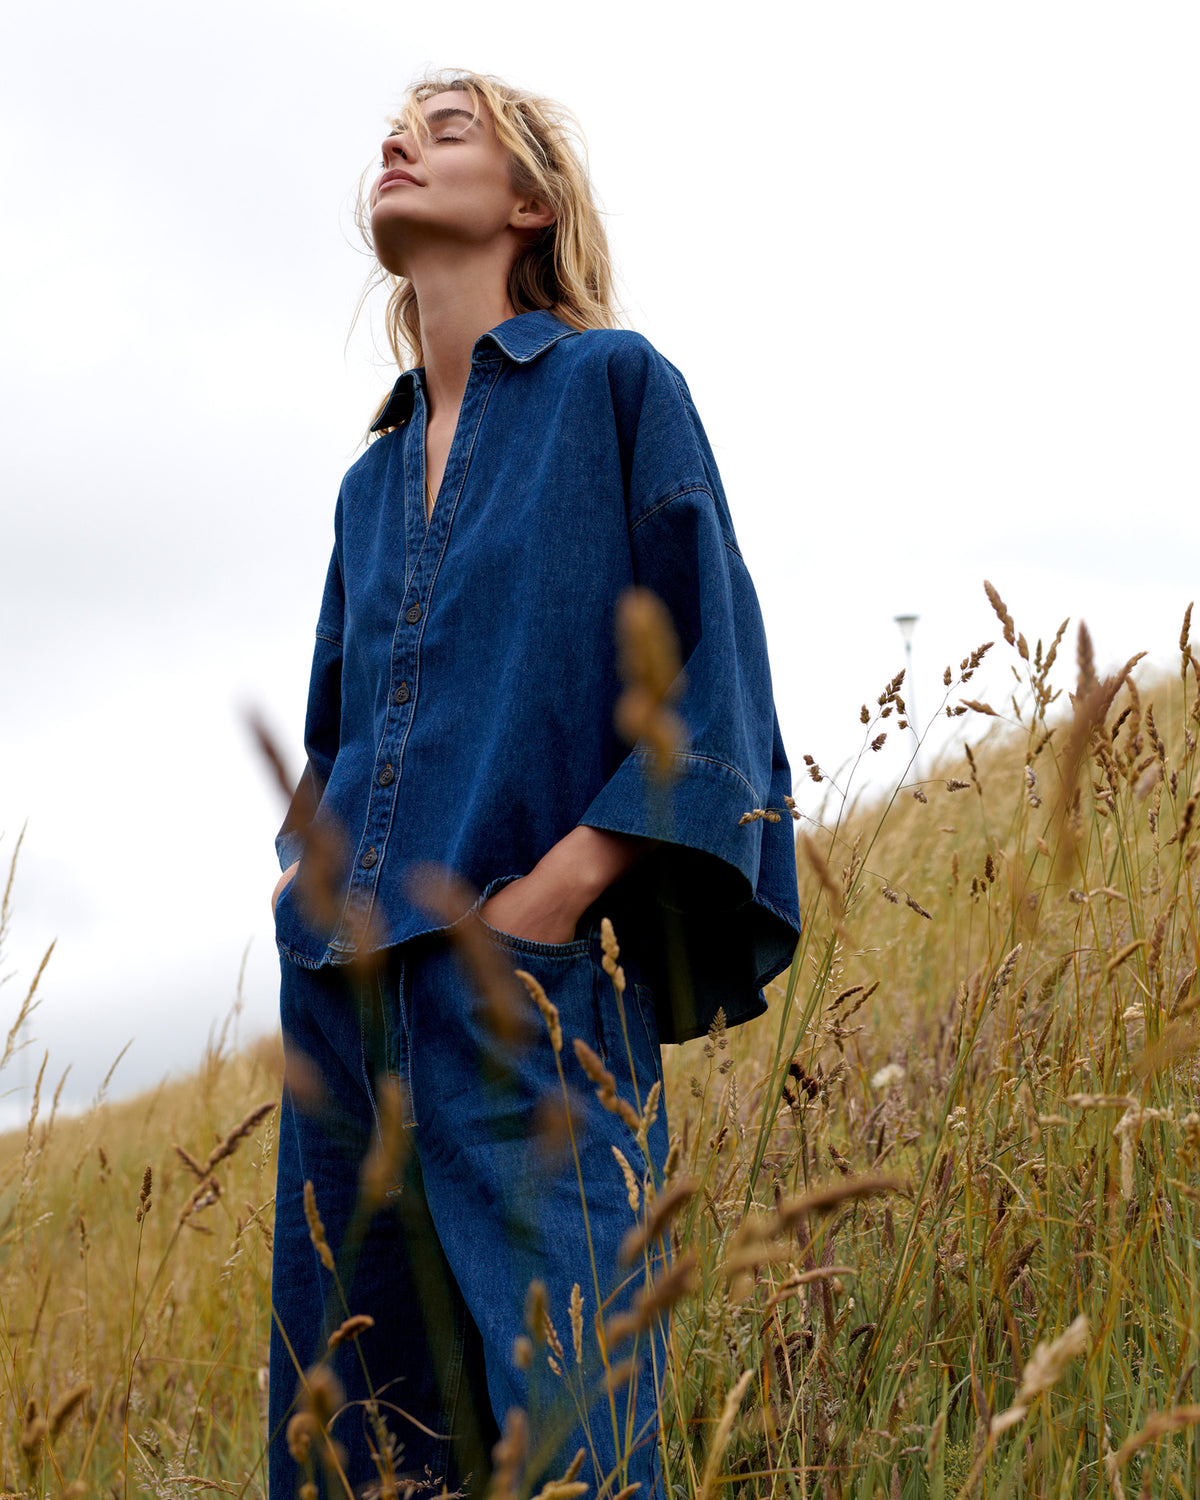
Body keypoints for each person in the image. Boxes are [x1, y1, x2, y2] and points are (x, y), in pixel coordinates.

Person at [268, 70, 801, 1499]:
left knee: (576, 1440)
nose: (400, 141)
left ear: (527, 203)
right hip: (347, 1007)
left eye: (447, 130)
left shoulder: (615, 391)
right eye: (395, 128)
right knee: (363, 1458)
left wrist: (554, 901)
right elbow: (337, 736)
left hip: (527, 997)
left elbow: (714, 673)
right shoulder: (364, 488)